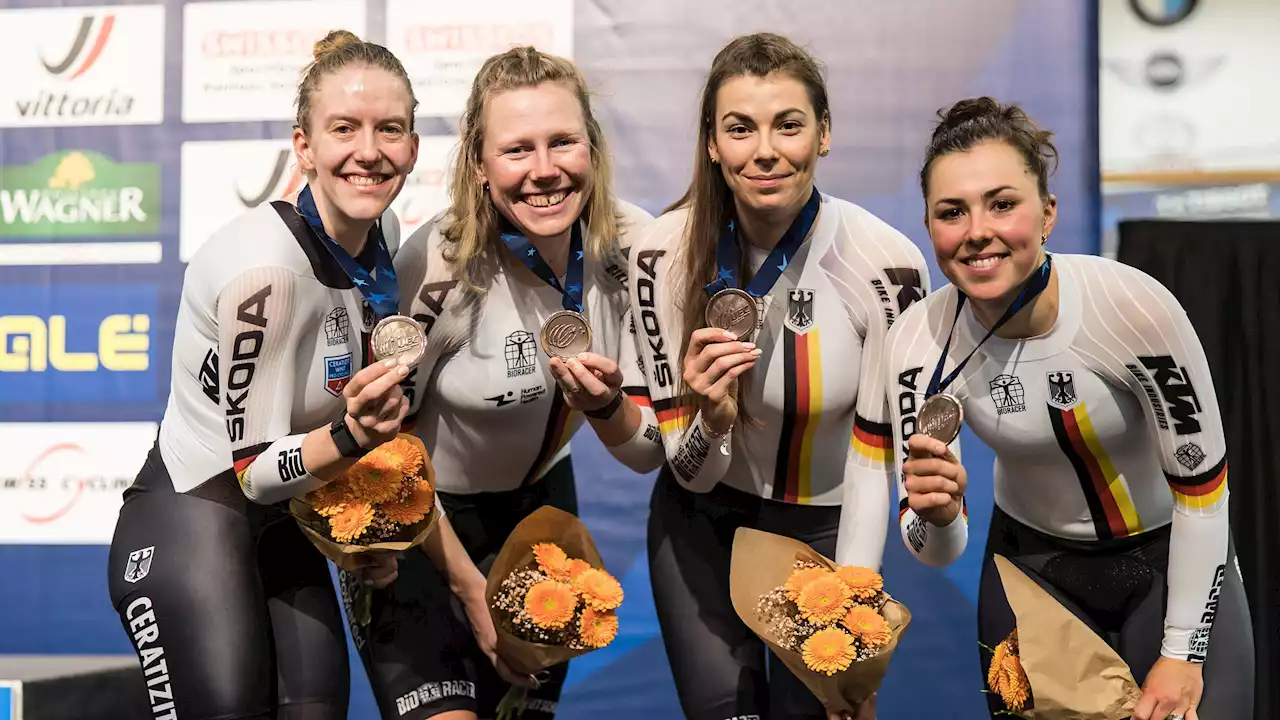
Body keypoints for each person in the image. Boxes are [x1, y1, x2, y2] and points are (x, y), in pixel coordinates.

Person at [889, 96, 1254, 720]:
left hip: (1170, 565)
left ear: (1049, 213)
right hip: (1032, 573)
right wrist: (941, 515)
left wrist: (1183, 652)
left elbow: (1203, 494)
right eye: (952, 212)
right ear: (930, 228)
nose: (978, 230)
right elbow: (933, 548)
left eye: (1003, 204)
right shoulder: (916, 340)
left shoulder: (1136, 309)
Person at [337, 46, 666, 720]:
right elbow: (380, 450)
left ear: (594, 150)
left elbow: (647, 454)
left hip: (540, 519)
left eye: (563, 143)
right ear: (480, 167)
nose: (544, 171)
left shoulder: (640, 249)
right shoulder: (436, 267)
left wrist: (606, 408)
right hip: (418, 522)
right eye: (518, 150)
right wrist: (468, 588)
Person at [106, 30, 419, 720]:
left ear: (414, 147)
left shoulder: (382, 235)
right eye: (345, 129)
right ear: (304, 146)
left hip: (284, 524)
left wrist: (355, 527)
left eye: (389, 129)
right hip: (191, 519)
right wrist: (353, 436)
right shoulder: (266, 273)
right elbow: (252, 470)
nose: (369, 151)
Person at [628, 32, 928, 720]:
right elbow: (688, 471)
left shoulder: (890, 265)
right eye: (740, 128)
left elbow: (876, 461)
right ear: (711, 143)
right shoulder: (659, 256)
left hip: (825, 528)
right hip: (699, 526)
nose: (765, 150)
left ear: (824, 134)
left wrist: (853, 595)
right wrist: (713, 420)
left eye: (788, 125)